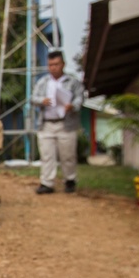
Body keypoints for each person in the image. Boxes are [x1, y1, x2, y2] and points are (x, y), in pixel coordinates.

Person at [31, 50, 84, 194]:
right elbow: (33, 98)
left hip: (65, 124)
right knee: (47, 155)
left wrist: (72, 105)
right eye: (50, 65)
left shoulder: (73, 82)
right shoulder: (42, 82)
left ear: (63, 64)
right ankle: (46, 182)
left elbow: (80, 98)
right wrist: (42, 100)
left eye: (56, 64)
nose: (53, 67)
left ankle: (70, 180)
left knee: (68, 155)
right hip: (46, 123)